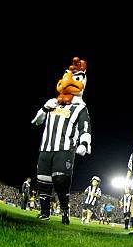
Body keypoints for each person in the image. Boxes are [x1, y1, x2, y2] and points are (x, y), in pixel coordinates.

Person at [31, 57, 92, 224]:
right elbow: (36, 122)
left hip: (65, 148)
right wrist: (44, 108)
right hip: (46, 147)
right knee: (43, 180)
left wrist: (84, 143)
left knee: (60, 180)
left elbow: (85, 127)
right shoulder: (53, 103)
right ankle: (45, 213)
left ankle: (65, 210)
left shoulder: (80, 107)